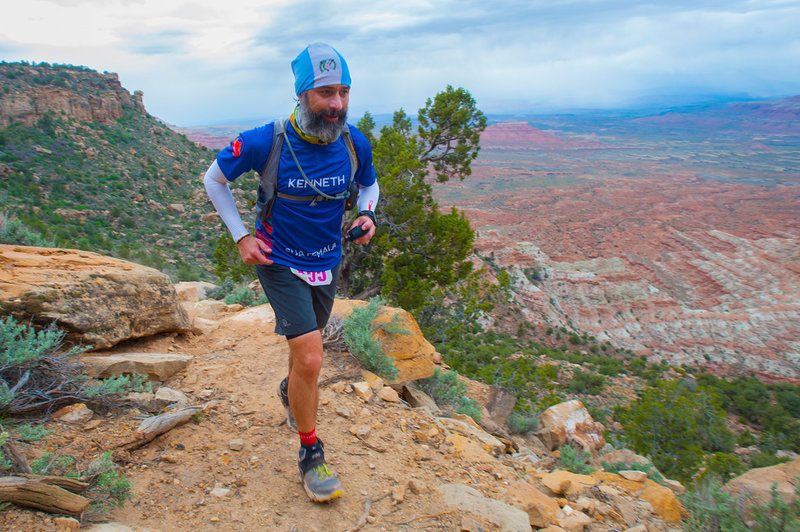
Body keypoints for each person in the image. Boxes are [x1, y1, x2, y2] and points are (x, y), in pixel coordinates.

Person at [202, 42, 379, 503]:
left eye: (343, 92)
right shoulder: (267, 140)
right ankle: (310, 453)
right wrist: (242, 235)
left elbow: (370, 184)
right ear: (302, 93)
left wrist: (367, 214)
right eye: (326, 93)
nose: (336, 104)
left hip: (327, 261)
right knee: (313, 358)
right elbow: (213, 180)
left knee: (305, 356)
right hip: (278, 261)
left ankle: (290, 390)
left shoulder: (353, 140)